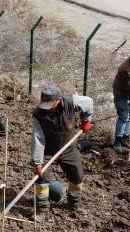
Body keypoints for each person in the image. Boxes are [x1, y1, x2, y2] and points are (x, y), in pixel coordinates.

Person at [31, 84, 94, 214]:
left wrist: (86, 120)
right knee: (42, 178)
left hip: (68, 147)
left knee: (77, 176)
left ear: (58, 100)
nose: (46, 108)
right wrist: (38, 163)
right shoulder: (39, 115)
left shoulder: (70, 102)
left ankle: (74, 206)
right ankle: (42, 210)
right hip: (47, 149)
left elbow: (88, 102)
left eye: (49, 104)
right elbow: (38, 140)